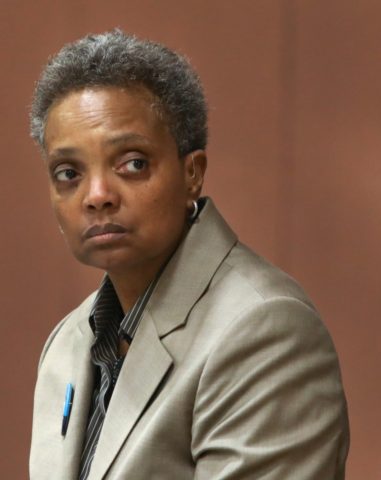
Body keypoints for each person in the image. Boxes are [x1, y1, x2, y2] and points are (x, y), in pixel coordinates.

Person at [29, 30, 349, 480]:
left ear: (193, 173)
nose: (96, 195)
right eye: (69, 173)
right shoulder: (67, 343)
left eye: (133, 163)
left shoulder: (264, 330)